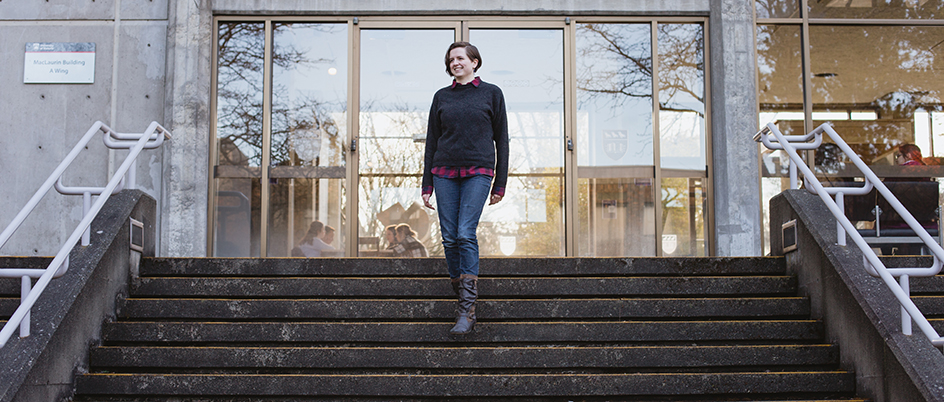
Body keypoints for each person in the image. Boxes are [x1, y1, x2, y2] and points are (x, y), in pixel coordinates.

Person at [421, 41, 509, 335]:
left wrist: (501, 182)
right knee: (448, 238)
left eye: (460, 58)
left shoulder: (492, 94)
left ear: (474, 62)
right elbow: (432, 141)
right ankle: (463, 303)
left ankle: (466, 310)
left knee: (463, 232)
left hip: (478, 172)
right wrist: (427, 183)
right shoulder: (441, 96)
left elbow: (502, 140)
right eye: (451, 60)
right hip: (444, 171)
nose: (455, 63)